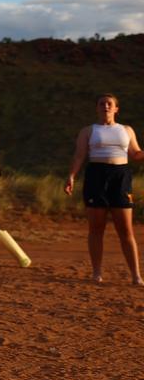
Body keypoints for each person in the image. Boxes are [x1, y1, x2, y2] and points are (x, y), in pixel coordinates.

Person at [64, 93, 144, 284]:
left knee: (125, 230)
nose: (105, 106)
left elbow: (135, 154)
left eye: (110, 104)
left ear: (116, 109)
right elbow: (79, 156)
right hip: (96, 177)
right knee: (96, 228)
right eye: (102, 104)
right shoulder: (88, 131)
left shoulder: (126, 130)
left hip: (120, 177)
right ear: (97, 108)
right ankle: (97, 273)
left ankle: (136, 275)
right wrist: (71, 176)